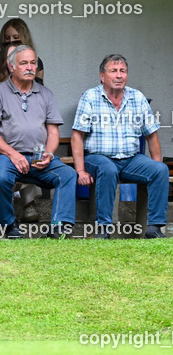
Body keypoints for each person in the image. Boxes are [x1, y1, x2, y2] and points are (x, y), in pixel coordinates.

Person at [0, 45, 76, 239]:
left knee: (67, 174)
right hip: (5, 156)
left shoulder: (46, 94)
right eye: (24, 63)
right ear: (11, 66)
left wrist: (49, 153)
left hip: (38, 156)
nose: (30, 67)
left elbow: (53, 132)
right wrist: (14, 155)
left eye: (33, 63)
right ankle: (9, 225)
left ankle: (59, 227)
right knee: (0, 177)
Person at [71, 54, 167, 239]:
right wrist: (81, 170)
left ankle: (154, 227)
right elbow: (77, 136)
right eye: (113, 71)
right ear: (102, 76)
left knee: (160, 170)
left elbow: (152, 135)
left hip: (131, 159)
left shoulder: (137, 97)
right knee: (108, 169)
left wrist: (156, 164)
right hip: (98, 157)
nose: (119, 75)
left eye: (123, 71)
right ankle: (104, 228)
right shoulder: (90, 97)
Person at [0, 19, 44, 85]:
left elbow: (39, 87)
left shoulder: (37, 61)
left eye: (16, 37)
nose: (11, 41)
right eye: (7, 38)